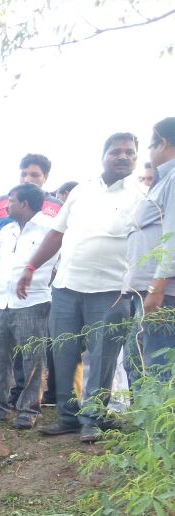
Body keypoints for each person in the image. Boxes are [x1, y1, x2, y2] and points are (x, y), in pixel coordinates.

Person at [17, 133, 144, 442]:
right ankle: (67, 416)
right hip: (66, 287)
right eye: (117, 151)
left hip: (112, 291)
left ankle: (92, 419)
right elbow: (57, 233)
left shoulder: (142, 195)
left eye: (130, 152)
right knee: (63, 352)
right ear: (104, 156)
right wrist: (31, 266)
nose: (123, 157)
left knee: (103, 357)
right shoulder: (81, 191)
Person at [0, 153, 65, 415]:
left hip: (32, 302)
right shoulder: (6, 230)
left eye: (11, 202)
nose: (5, 207)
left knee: (32, 360)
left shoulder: (49, 230)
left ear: (24, 204)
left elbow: (57, 263)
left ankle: (29, 410)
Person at [124, 117, 175, 381]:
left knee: (157, 368)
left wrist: (157, 289)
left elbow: (172, 237)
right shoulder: (163, 180)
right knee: (144, 361)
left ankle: (158, 423)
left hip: (164, 294)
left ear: (163, 143)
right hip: (154, 290)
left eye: (151, 146)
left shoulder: (173, 177)